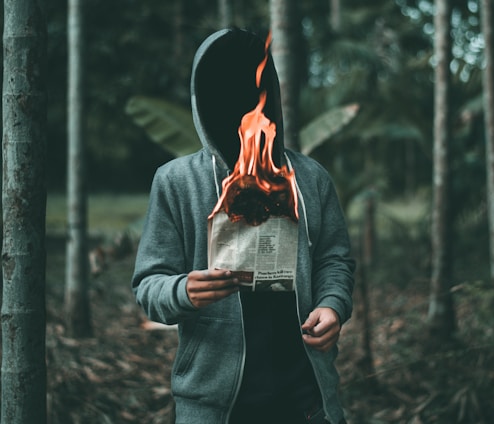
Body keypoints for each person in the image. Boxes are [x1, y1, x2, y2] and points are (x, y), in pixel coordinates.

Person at [131, 28, 355, 424]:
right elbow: (149, 287)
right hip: (216, 407)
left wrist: (332, 305)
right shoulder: (177, 182)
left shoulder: (310, 178)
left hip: (306, 400)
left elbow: (334, 258)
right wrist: (184, 290)